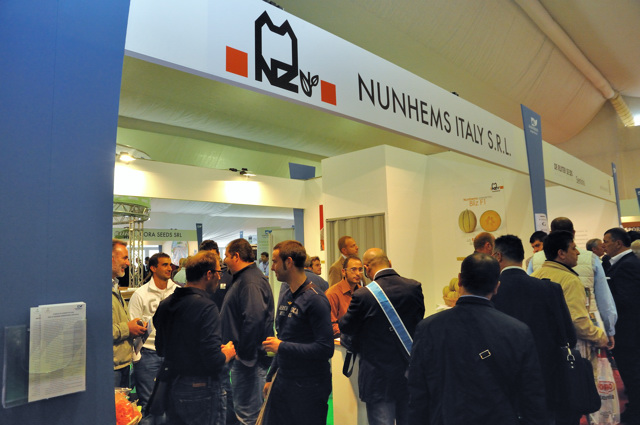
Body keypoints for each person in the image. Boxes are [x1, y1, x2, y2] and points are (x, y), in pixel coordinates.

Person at [408, 253, 546, 425]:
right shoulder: (517, 331)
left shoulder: (428, 328)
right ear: (496, 286)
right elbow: (532, 396)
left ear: (459, 280)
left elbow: (418, 393)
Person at [492, 235, 576, 424]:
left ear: (498, 256)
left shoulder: (491, 293)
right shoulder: (550, 289)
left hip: (504, 383)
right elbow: (568, 337)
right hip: (546, 379)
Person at [339, 248, 425, 425]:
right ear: (390, 263)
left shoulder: (363, 295)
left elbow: (346, 326)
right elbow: (419, 319)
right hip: (408, 373)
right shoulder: (414, 287)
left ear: (366, 268)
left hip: (378, 377)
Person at [154, 251, 236, 425]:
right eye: (218, 272)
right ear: (208, 274)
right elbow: (213, 360)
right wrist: (226, 354)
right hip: (201, 389)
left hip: (173, 385)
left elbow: (160, 348)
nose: (220, 277)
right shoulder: (206, 307)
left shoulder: (166, 304)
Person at [262, 240, 334, 425]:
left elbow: (325, 349)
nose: (272, 267)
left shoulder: (316, 300)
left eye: (275, 261)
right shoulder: (287, 295)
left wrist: (282, 347)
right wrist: (270, 377)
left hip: (309, 387)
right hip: (284, 382)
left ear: (289, 262)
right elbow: (284, 340)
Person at [528, 217, 617, 345]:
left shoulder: (534, 265)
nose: (577, 253)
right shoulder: (586, 264)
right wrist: (607, 332)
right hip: (583, 337)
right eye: (574, 248)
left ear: (551, 232)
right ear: (573, 233)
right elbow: (604, 300)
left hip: (546, 339)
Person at [220, 239, 274, 425]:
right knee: (245, 412)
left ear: (236, 256)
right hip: (246, 359)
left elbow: (254, 319)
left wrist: (244, 355)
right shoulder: (244, 278)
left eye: (227, 256)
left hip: (249, 361)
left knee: (247, 415)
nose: (224, 260)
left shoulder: (250, 282)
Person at [128, 252, 177, 417]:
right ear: (153, 268)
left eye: (170, 265)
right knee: (149, 405)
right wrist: (137, 357)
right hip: (148, 354)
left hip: (172, 354)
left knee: (172, 403)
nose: (169, 268)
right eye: (164, 265)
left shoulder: (178, 292)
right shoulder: (140, 294)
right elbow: (133, 327)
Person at [602, 228, 640, 425]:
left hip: (629, 330)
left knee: (632, 372)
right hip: (628, 330)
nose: (604, 245)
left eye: (606, 241)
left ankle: (636, 411)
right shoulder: (623, 263)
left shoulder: (627, 265)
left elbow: (628, 299)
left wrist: (605, 304)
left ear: (618, 243)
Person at [112, 239, 147, 388]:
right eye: (125, 258)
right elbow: (98, 330)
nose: (128, 263)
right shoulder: (98, 290)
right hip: (112, 368)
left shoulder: (113, 286)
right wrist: (128, 328)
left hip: (122, 364)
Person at [324, 255, 362, 337]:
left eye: (360, 269)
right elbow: (330, 324)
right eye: (353, 269)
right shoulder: (332, 293)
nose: (358, 273)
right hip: (340, 340)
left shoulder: (362, 292)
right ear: (344, 272)